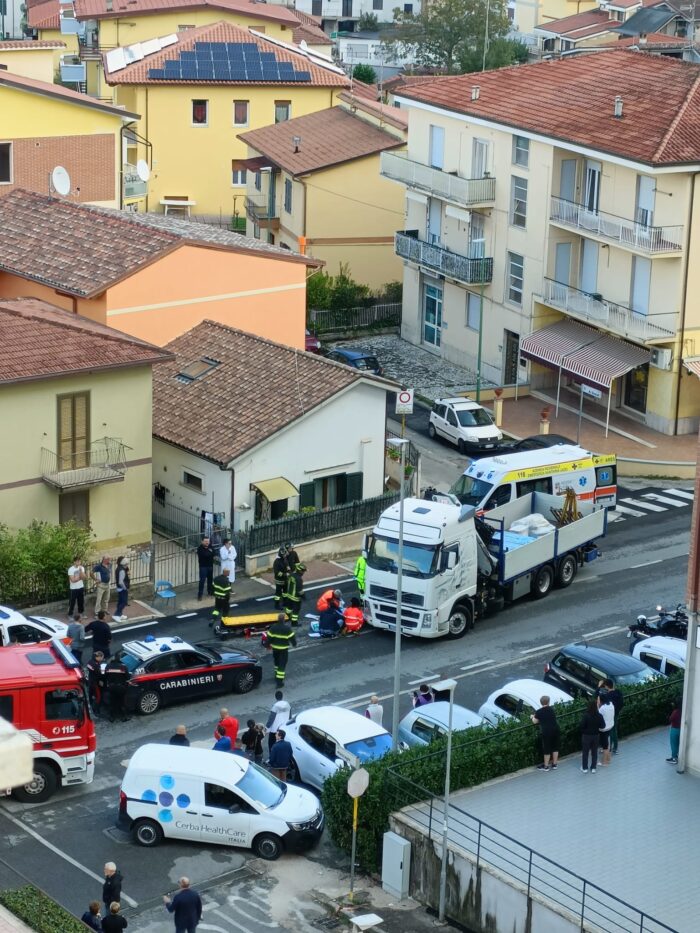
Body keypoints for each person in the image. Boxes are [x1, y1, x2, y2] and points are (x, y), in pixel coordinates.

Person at [265, 612, 296, 685]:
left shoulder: (273, 628)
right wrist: (294, 644)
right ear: (284, 620)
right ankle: (279, 681)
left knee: (277, 662)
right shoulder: (287, 629)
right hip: (283, 650)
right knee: (282, 665)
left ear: (278, 619)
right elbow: (292, 638)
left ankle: (276, 675)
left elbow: (269, 638)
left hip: (275, 649)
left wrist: (267, 645)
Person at [531, 696, 560, 771]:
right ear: (548, 702)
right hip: (555, 729)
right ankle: (554, 764)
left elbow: (535, 721)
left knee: (547, 748)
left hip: (546, 731)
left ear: (541, 703)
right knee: (555, 747)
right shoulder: (552, 709)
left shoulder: (539, 711)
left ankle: (546, 766)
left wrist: (532, 717)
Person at [580, 700, 605, 773]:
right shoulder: (599, 715)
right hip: (596, 736)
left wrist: (584, 731)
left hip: (586, 736)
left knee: (585, 752)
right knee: (594, 752)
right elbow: (603, 726)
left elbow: (581, 726)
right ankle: (593, 767)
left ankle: (585, 768)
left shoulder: (586, 715)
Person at [600, 678, 624, 754]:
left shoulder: (607, 695)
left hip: (609, 715)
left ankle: (608, 748)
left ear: (607, 686)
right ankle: (615, 748)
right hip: (616, 714)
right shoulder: (619, 692)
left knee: (608, 731)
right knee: (614, 730)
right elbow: (621, 704)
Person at [103, 655, 130, 722]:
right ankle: (124, 717)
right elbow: (128, 677)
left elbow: (105, 677)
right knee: (122, 702)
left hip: (111, 687)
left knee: (112, 702)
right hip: (121, 687)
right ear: (119, 659)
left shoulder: (108, 666)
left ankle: (111, 717)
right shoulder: (123, 667)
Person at [265, 690, 291, 755]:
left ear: (276, 697)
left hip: (275, 729)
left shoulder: (275, 706)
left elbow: (271, 718)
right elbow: (290, 716)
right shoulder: (287, 704)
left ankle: (272, 756)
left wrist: (267, 726)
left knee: (271, 744)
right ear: (282, 696)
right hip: (284, 727)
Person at [284, 561, 306, 626]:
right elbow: (300, 591)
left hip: (289, 596)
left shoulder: (292, 575)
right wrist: (304, 597)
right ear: (299, 570)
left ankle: (287, 618)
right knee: (296, 611)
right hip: (296, 598)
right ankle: (294, 623)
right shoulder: (299, 579)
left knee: (288, 608)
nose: (303, 572)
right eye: (303, 571)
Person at [598, 692, 615, 767]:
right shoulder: (611, 704)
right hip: (610, 726)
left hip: (603, 729)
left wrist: (598, 706)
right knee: (607, 743)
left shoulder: (602, 708)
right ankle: (608, 759)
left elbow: (598, 716)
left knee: (605, 746)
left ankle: (604, 762)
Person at [114, 558, 130, 622]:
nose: (127, 565)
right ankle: (116, 614)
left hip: (119, 588)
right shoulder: (122, 570)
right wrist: (125, 588)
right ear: (125, 564)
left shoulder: (118, 568)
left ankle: (120, 614)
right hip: (122, 588)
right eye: (127, 564)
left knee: (120, 602)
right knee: (124, 602)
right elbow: (121, 582)